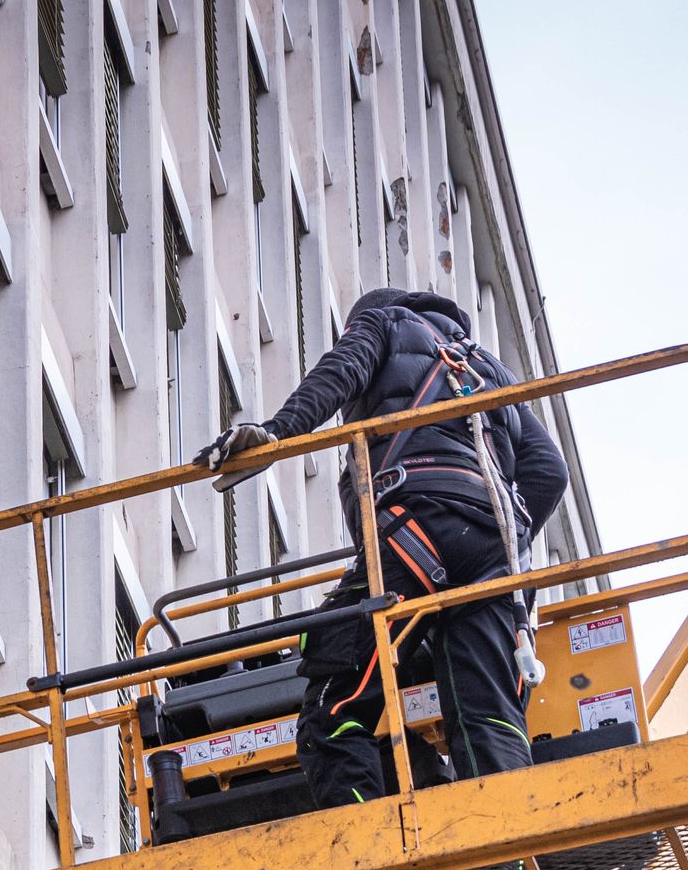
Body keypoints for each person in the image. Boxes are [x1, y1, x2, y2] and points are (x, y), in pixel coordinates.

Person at [197, 288, 568, 811]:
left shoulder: (385, 324)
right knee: (487, 711)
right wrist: (499, 530)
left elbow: (339, 373)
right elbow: (549, 471)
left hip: (416, 529)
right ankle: (499, 863)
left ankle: (366, 868)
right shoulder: (491, 370)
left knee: (333, 705)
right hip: (494, 555)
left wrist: (278, 433)